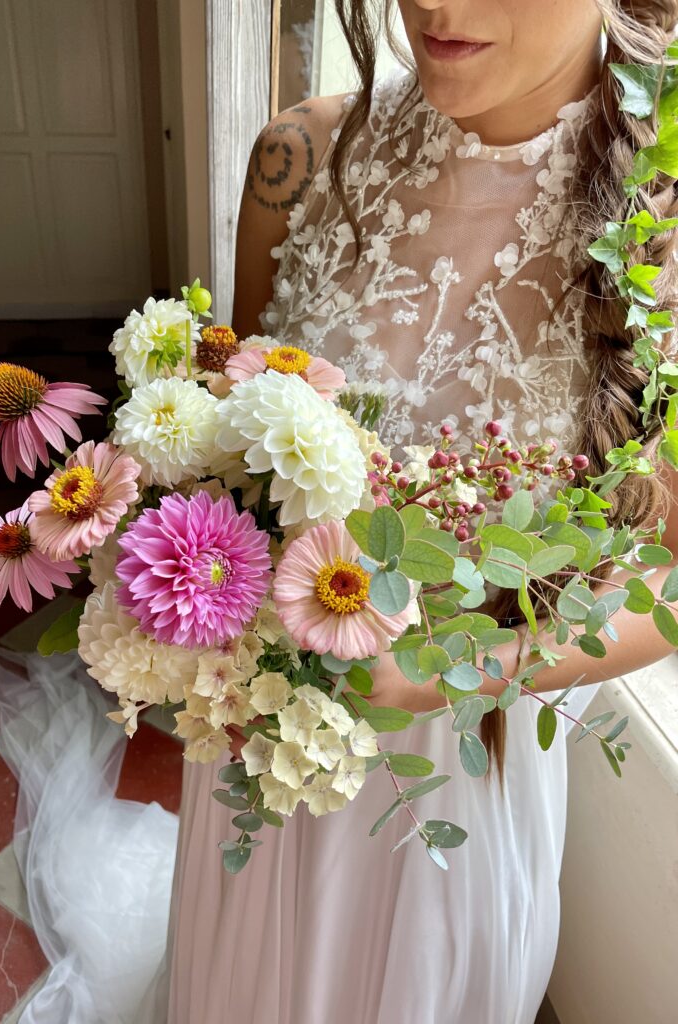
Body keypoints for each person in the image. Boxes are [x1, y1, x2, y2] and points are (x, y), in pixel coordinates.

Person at [164, 2, 678, 1022]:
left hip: (454, 780)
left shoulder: (660, 221)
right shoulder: (296, 160)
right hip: (261, 744)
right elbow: (239, 440)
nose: (436, 1)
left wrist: (457, 670)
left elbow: (667, 571)